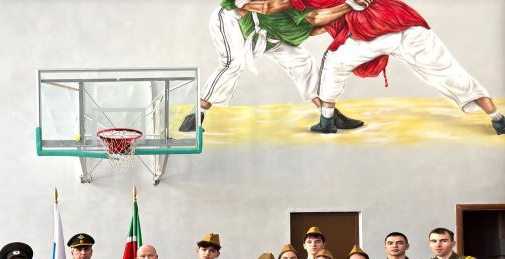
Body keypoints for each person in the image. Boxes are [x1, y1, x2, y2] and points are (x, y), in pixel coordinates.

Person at [257, 0, 505, 135]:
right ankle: (496, 118)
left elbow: (314, 18)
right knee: (448, 72)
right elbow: (317, 25)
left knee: (333, 62)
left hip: (373, 31)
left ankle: (326, 121)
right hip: (408, 24)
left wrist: (347, 5)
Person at [179, 0, 363, 132]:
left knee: (302, 60)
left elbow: (312, 26)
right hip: (230, 22)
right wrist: (349, 5)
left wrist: (347, 14)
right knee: (233, 63)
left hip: (266, 35)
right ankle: (195, 116)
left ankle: (328, 117)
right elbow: (267, 7)